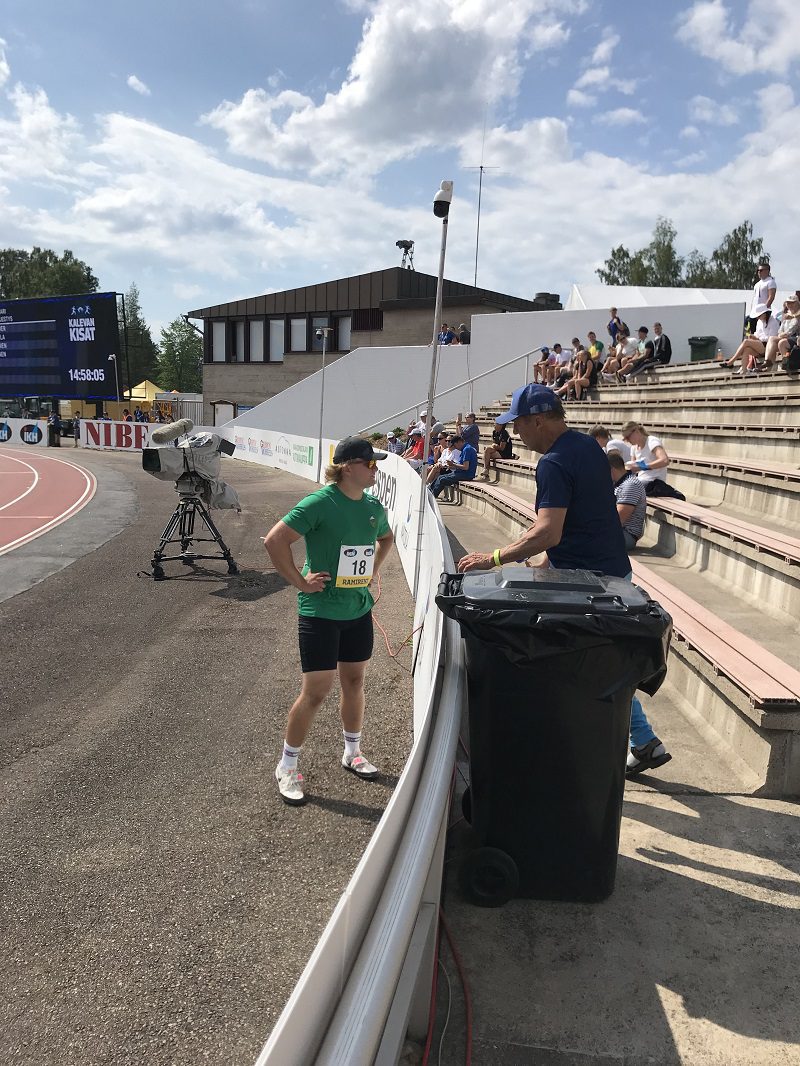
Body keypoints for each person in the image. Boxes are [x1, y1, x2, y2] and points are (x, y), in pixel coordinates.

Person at [457, 384, 671, 776]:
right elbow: (581, 519)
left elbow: (548, 531)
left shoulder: (553, 462)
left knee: (586, 668)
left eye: (517, 425)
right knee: (602, 665)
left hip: (587, 585)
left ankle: (585, 750)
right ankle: (643, 743)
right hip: (612, 572)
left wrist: (495, 558)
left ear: (537, 420)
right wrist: (541, 562)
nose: (515, 434)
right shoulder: (586, 446)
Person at [263, 436, 394, 806]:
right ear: (349, 467)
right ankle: (287, 765)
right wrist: (301, 582)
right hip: (320, 613)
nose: (375, 469)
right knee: (316, 692)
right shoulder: (320, 502)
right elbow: (275, 541)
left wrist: (372, 571)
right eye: (370, 464)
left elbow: (386, 539)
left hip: (357, 609)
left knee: (354, 682)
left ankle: (352, 752)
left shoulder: (372, 506)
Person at [620, 421, 685, 500]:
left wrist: (642, 466)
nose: (627, 440)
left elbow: (664, 460)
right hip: (641, 481)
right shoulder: (634, 448)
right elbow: (634, 468)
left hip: (654, 482)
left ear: (636, 431)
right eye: (625, 439)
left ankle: (674, 494)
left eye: (628, 437)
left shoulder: (652, 441)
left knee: (631, 488)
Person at [608, 451, 647, 551]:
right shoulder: (618, 484)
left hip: (626, 534)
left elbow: (618, 520)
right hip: (617, 532)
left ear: (611, 469)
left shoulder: (630, 485)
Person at [721, 308, 779, 373]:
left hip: (768, 347)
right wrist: (754, 336)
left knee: (746, 341)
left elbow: (772, 338)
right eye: (757, 316)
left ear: (765, 313)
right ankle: (744, 370)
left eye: (759, 316)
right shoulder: (759, 322)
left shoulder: (773, 322)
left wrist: (758, 339)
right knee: (747, 349)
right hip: (760, 345)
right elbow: (758, 333)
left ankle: (731, 361)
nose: (758, 317)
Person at [430, 432, 478, 498]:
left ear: (458, 442)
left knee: (442, 480)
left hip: (466, 474)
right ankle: (429, 492)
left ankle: (432, 496)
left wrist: (453, 464)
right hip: (461, 472)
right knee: (440, 477)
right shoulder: (465, 449)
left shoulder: (467, 449)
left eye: (455, 446)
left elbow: (466, 467)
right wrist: (452, 465)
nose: (456, 448)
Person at [763, 294, 800, 371]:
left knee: (780, 342)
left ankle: (785, 362)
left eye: (792, 303)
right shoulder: (787, 315)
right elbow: (780, 330)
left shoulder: (797, 315)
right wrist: (782, 334)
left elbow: (793, 329)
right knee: (772, 339)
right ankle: (768, 362)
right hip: (787, 337)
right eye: (788, 303)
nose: (789, 305)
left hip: (795, 337)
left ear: (797, 303)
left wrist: (783, 334)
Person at [749, 262, 777, 331]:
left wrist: (764, 311)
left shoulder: (770, 282)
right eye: (758, 270)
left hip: (763, 312)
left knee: (763, 331)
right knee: (753, 331)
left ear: (767, 271)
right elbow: (755, 298)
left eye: (761, 270)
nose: (759, 272)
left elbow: (771, 297)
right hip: (755, 312)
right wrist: (752, 310)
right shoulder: (757, 284)